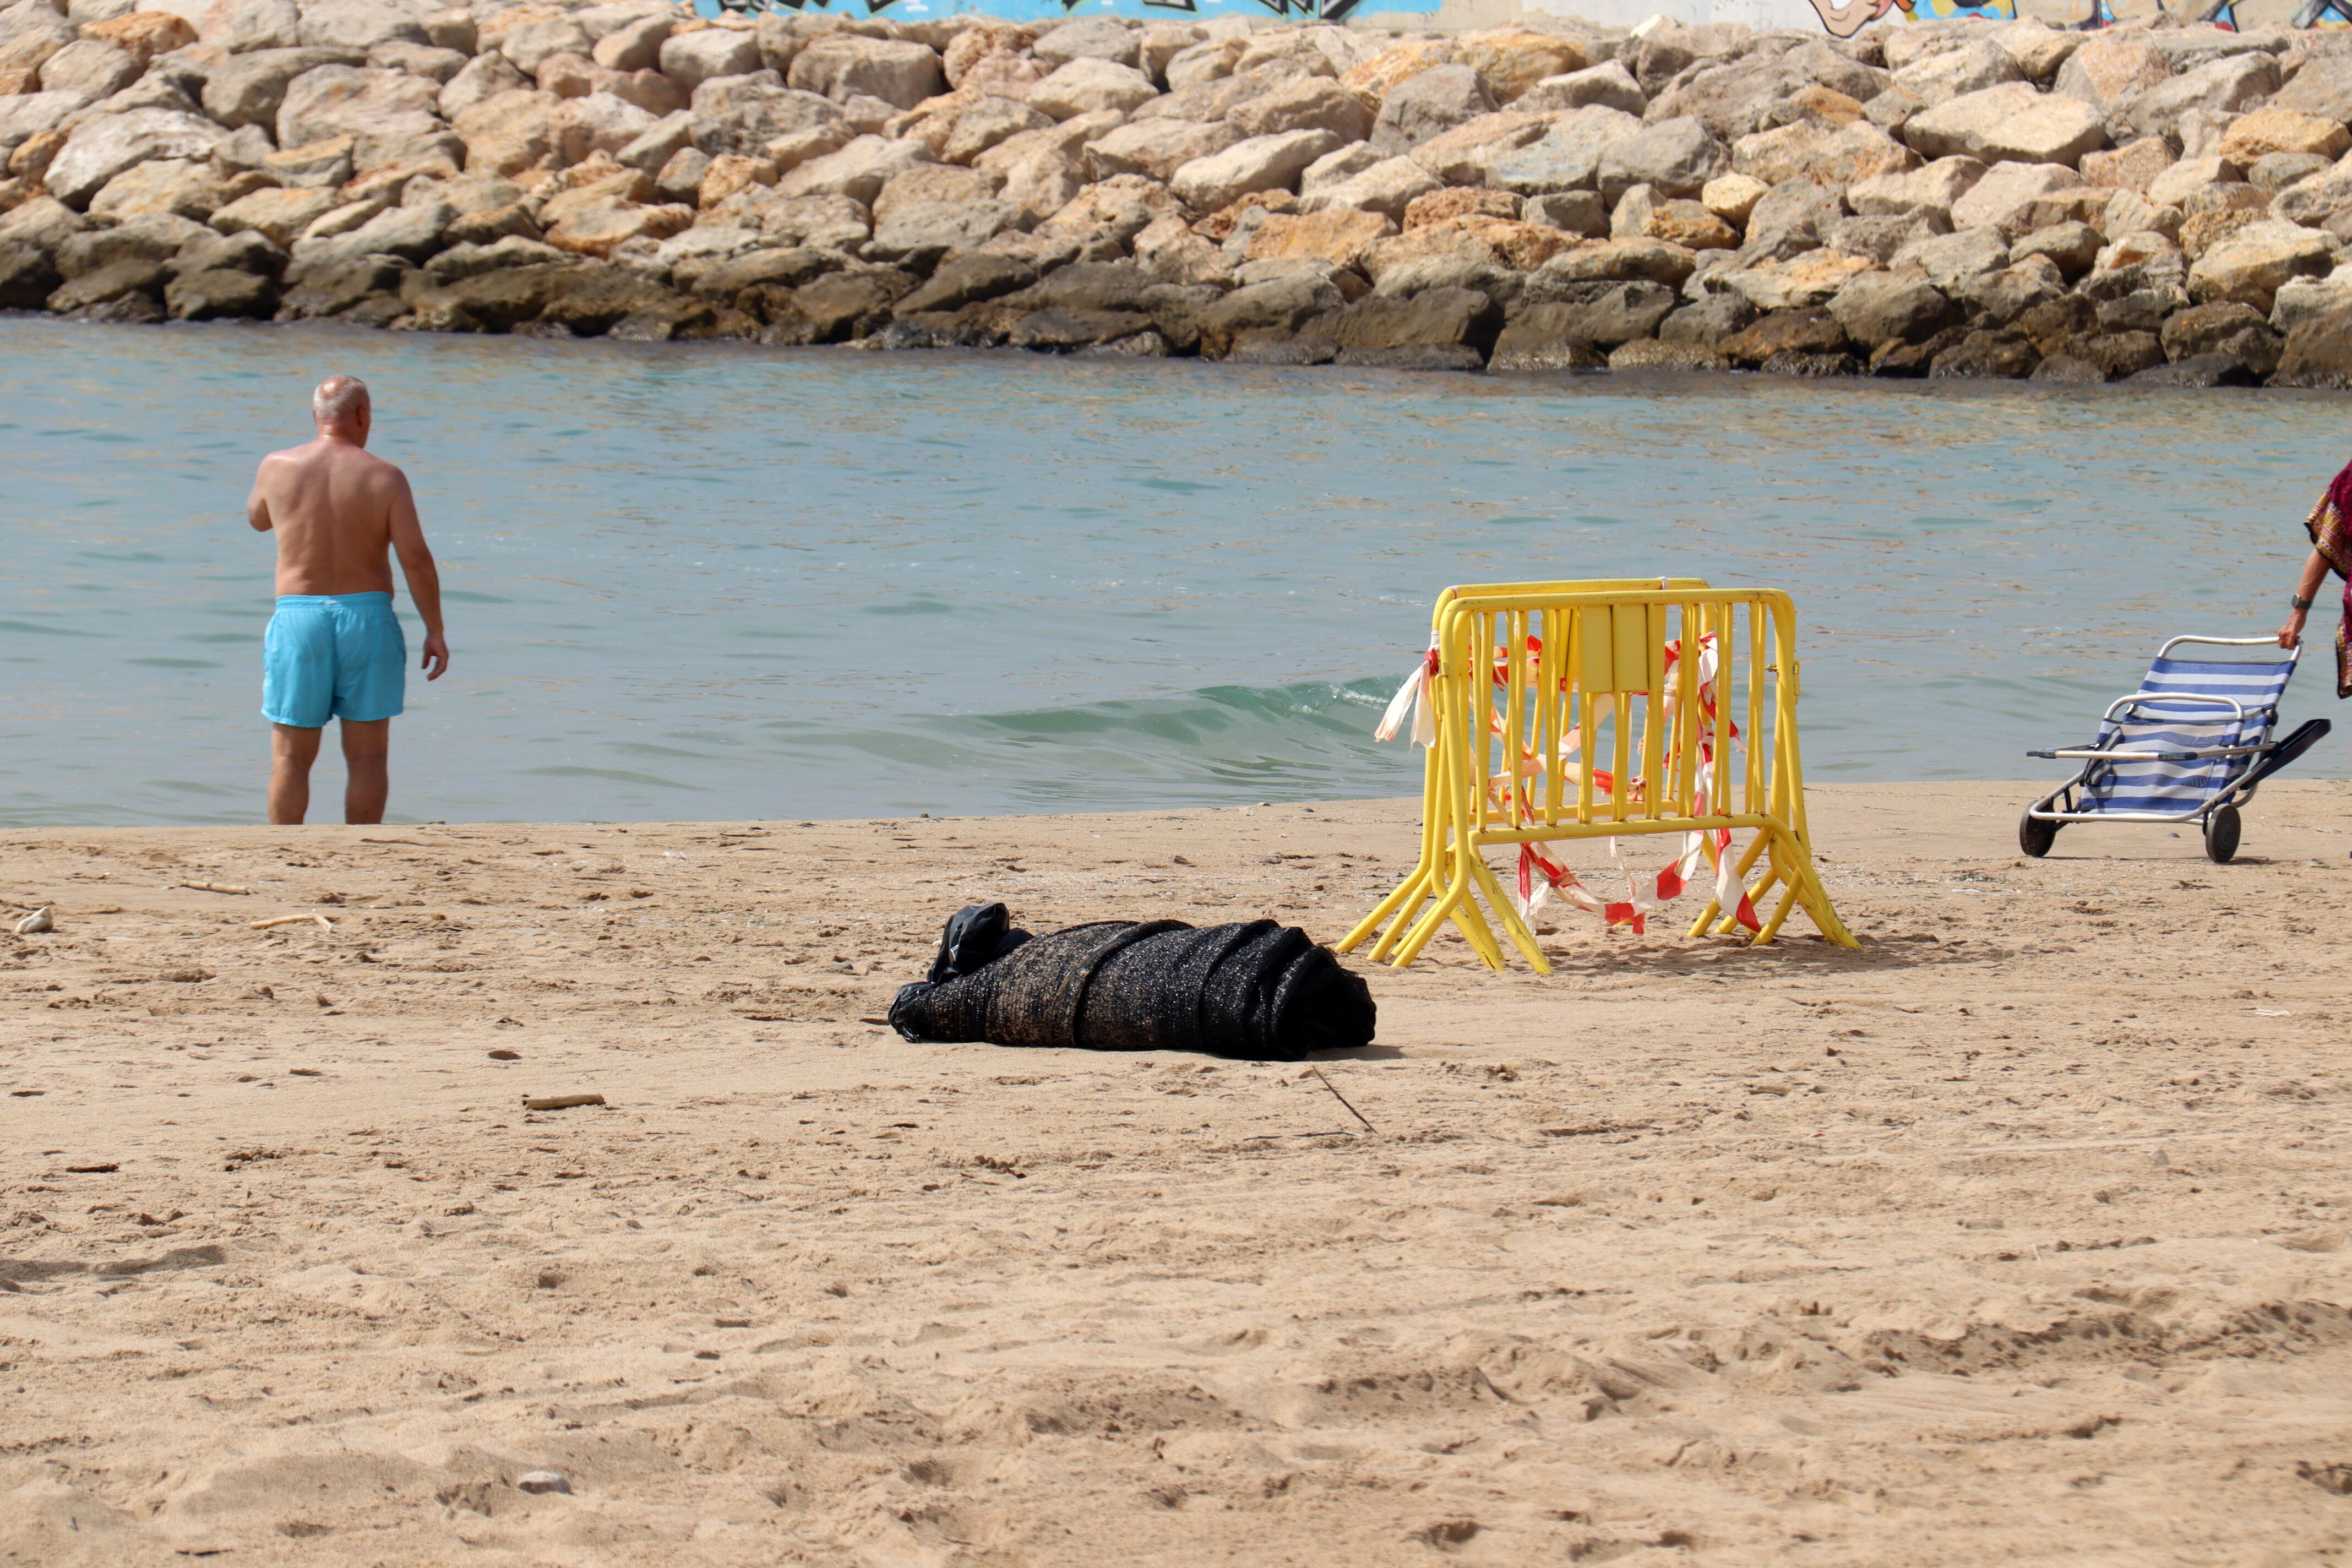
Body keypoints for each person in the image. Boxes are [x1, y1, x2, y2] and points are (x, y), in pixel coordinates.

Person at [246, 375, 449, 825]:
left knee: (291, 759)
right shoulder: (385, 476)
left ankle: (283, 853)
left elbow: (258, 519)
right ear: (363, 416)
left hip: (299, 617)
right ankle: (362, 852)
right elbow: (415, 558)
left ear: (316, 417)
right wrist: (435, 630)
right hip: (367, 619)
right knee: (368, 758)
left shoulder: (276, 465)